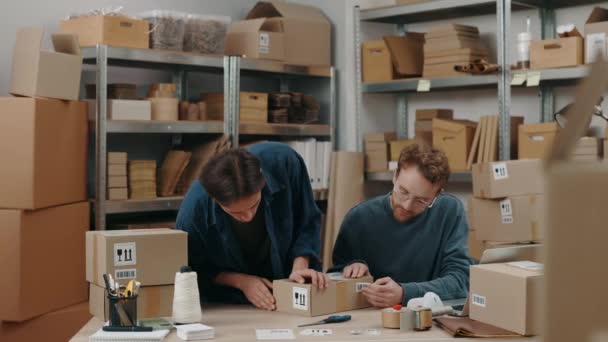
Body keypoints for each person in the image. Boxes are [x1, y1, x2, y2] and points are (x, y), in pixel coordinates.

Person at [176, 142, 328, 311]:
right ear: (216, 200)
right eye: (237, 213)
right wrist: (241, 281)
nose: (248, 217)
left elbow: (307, 219)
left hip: (288, 287)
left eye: (254, 205)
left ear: (262, 182)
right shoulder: (193, 212)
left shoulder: (284, 162)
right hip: (230, 302)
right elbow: (192, 272)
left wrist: (300, 267)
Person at [330, 144, 471, 308]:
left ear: (437, 194)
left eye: (421, 200)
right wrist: (351, 271)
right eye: (403, 192)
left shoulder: (449, 211)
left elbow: (460, 282)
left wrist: (404, 293)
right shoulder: (358, 218)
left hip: (432, 319)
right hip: (372, 319)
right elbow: (334, 281)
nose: (407, 206)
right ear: (395, 176)